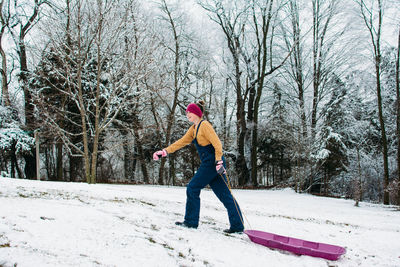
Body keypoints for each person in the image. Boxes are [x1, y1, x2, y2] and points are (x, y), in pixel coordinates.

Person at [153, 101, 244, 233]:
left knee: (193, 187)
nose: (187, 114)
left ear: (196, 113)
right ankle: (237, 227)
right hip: (210, 164)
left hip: (213, 163)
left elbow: (217, 144)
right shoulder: (193, 129)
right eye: (186, 112)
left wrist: (219, 161)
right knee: (225, 195)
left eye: (189, 112)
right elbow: (181, 142)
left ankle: (191, 222)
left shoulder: (204, 125)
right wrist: (165, 151)